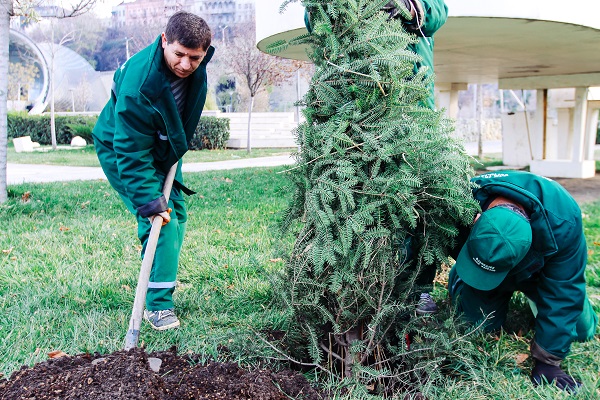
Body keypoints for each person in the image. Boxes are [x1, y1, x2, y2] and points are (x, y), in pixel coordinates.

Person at [92, 11, 214, 330]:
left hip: (164, 144)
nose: (186, 65)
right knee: (158, 218)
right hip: (122, 148)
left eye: (195, 58)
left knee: (178, 214)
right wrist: (150, 202)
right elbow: (130, 150)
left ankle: (162, 279)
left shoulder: (196, 65)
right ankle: (157, 306)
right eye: (179, 55)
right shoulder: (139, 85)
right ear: (164, 41)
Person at [448, 170, 598, 391]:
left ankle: (537, 299)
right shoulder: (460, 201)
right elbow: (423, 243)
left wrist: (548, 361)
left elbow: (565, 288)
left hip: (540, 276)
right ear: (477, 219)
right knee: (474, 326)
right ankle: (462, 277)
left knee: (581, 330)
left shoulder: (564, 220)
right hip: (483, 262)